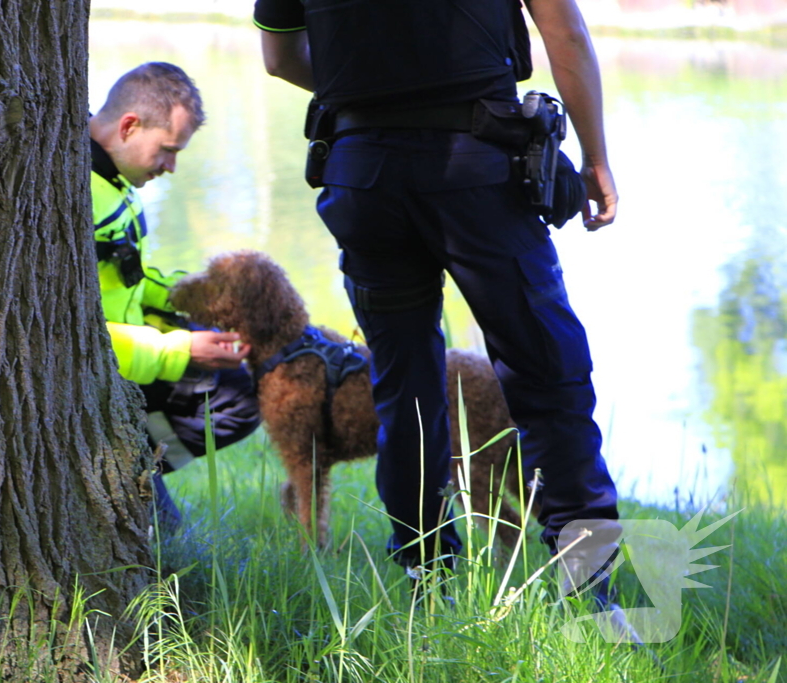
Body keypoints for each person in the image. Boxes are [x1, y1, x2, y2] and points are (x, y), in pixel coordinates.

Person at [253, 0, 625, 599]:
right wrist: (597, 159)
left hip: (363, 174)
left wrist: (378, 92)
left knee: (404, 387)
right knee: (549, 374)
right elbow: (566, 33)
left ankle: (428, 581)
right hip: (480, 172)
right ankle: (593, 595)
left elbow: (280, 57)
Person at [89, 62, 261, 526]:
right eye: (167, 150)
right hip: (100, 371)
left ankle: (137, 459)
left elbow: (129, 279)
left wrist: (198, 301)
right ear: (129, 126)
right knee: (168, 534)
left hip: (129, 363)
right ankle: (128, 472)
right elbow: (75, 336)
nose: (171, 166)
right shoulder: (78, 193)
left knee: (242, 393)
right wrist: (182, 350)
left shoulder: (115, 182)